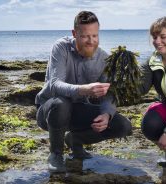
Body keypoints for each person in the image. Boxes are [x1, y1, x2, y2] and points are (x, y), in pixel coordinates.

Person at [35, 11, 132, 173]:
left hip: (79, 111)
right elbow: (54, 84)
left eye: (95, 36)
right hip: (49, 111)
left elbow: (110, 93)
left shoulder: (103, 58)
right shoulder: (61, 47)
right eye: (86, 36)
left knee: (123, 126)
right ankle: (56, 154)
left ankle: (74, 140)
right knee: (61, 102)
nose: (91, 41)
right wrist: (83, 90)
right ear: (74, 33)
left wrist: (107, 114)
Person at [140, 16, 166, 167]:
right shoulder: (152, 61)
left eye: (163, 36)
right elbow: (141, 89)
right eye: (154, 37)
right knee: (150, 124)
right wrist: (123, 79)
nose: (157, 41)